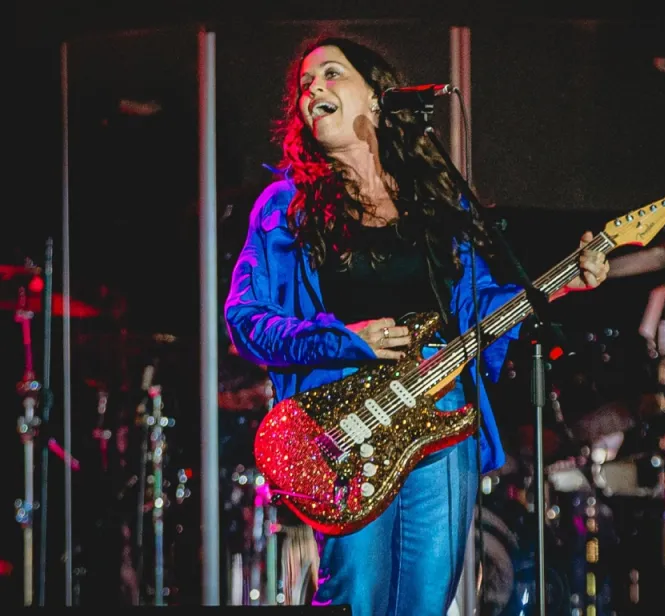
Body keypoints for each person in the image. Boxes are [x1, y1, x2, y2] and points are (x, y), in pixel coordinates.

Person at [224, 35, 610, 616]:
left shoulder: (438, 204)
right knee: (356, 596)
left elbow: (480, 306)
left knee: (430, 600)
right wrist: (346, 339)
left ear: (378, 98)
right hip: (349, 428)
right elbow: (246, 319)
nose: (313, 89)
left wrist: (566, 281)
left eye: (332, 74)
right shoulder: (286, 208)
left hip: (442, 415)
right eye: (305, 83)